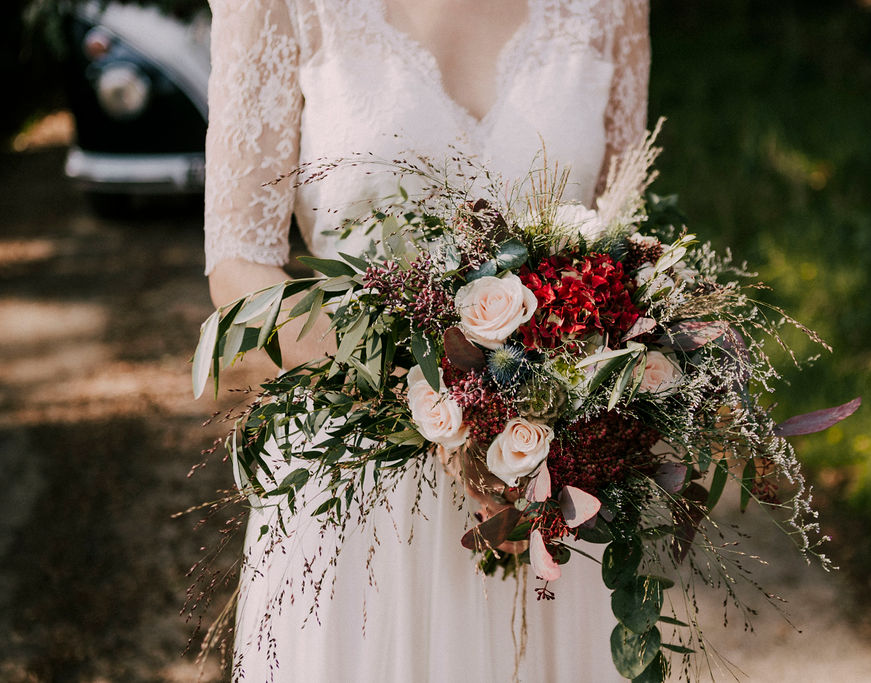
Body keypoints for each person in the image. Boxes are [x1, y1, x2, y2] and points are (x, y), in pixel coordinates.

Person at [203, 0, 650, 680]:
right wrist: (433, 395)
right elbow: (239, 265)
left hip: (545, 491)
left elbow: (626, 244)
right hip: (361, 484)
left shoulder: (612, 8)